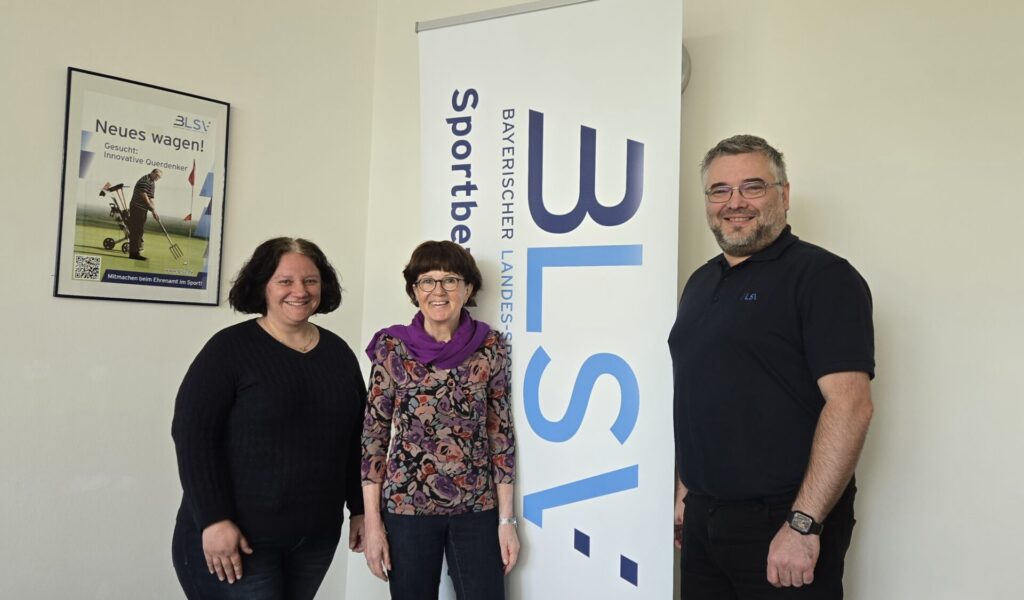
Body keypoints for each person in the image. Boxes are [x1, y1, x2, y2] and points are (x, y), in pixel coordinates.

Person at [670, 135, 875, 599]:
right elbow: (701, 390)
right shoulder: (701, 284)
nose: (734, 203)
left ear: (783, 194)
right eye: (719, 190)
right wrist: (687, 490)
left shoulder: (823, 277)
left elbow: (851, 405)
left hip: (784, 521)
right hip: (705, 520)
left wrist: (803, 526)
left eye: (752, 187)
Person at [171, 237, 366, 599]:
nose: (300, 291)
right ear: (263, 285)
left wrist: (360, 508)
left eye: (311, 280)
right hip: (238, 540)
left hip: (314, 540)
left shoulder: (339, 354)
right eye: (285, 281)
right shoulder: (228, 350)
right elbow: (192, 438)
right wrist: (213, 520)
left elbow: (358, 438)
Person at [361, 240, 519, 600]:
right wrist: (373, 524)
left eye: (449, 279)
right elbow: (373, 437)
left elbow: (501, 436)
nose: (438, 290)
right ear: (414, 291)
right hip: (407, 509)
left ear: (469, 288)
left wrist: (506, 521)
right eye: (426, 280)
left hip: (477, 509)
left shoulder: (490, 346)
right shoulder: (392, 348)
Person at [128, 168, 161, 260]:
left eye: (159, 177)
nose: (157, 178)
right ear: (152, 173)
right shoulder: (145, 180)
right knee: (136, 231)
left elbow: (150, 198)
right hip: (136, 207)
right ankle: (134, 254)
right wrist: (151, 208)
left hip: (143, 209)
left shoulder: (152, 182)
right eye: (157, 176)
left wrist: (154, 210)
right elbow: (144, 195)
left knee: (139, 231)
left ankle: (136, 252)